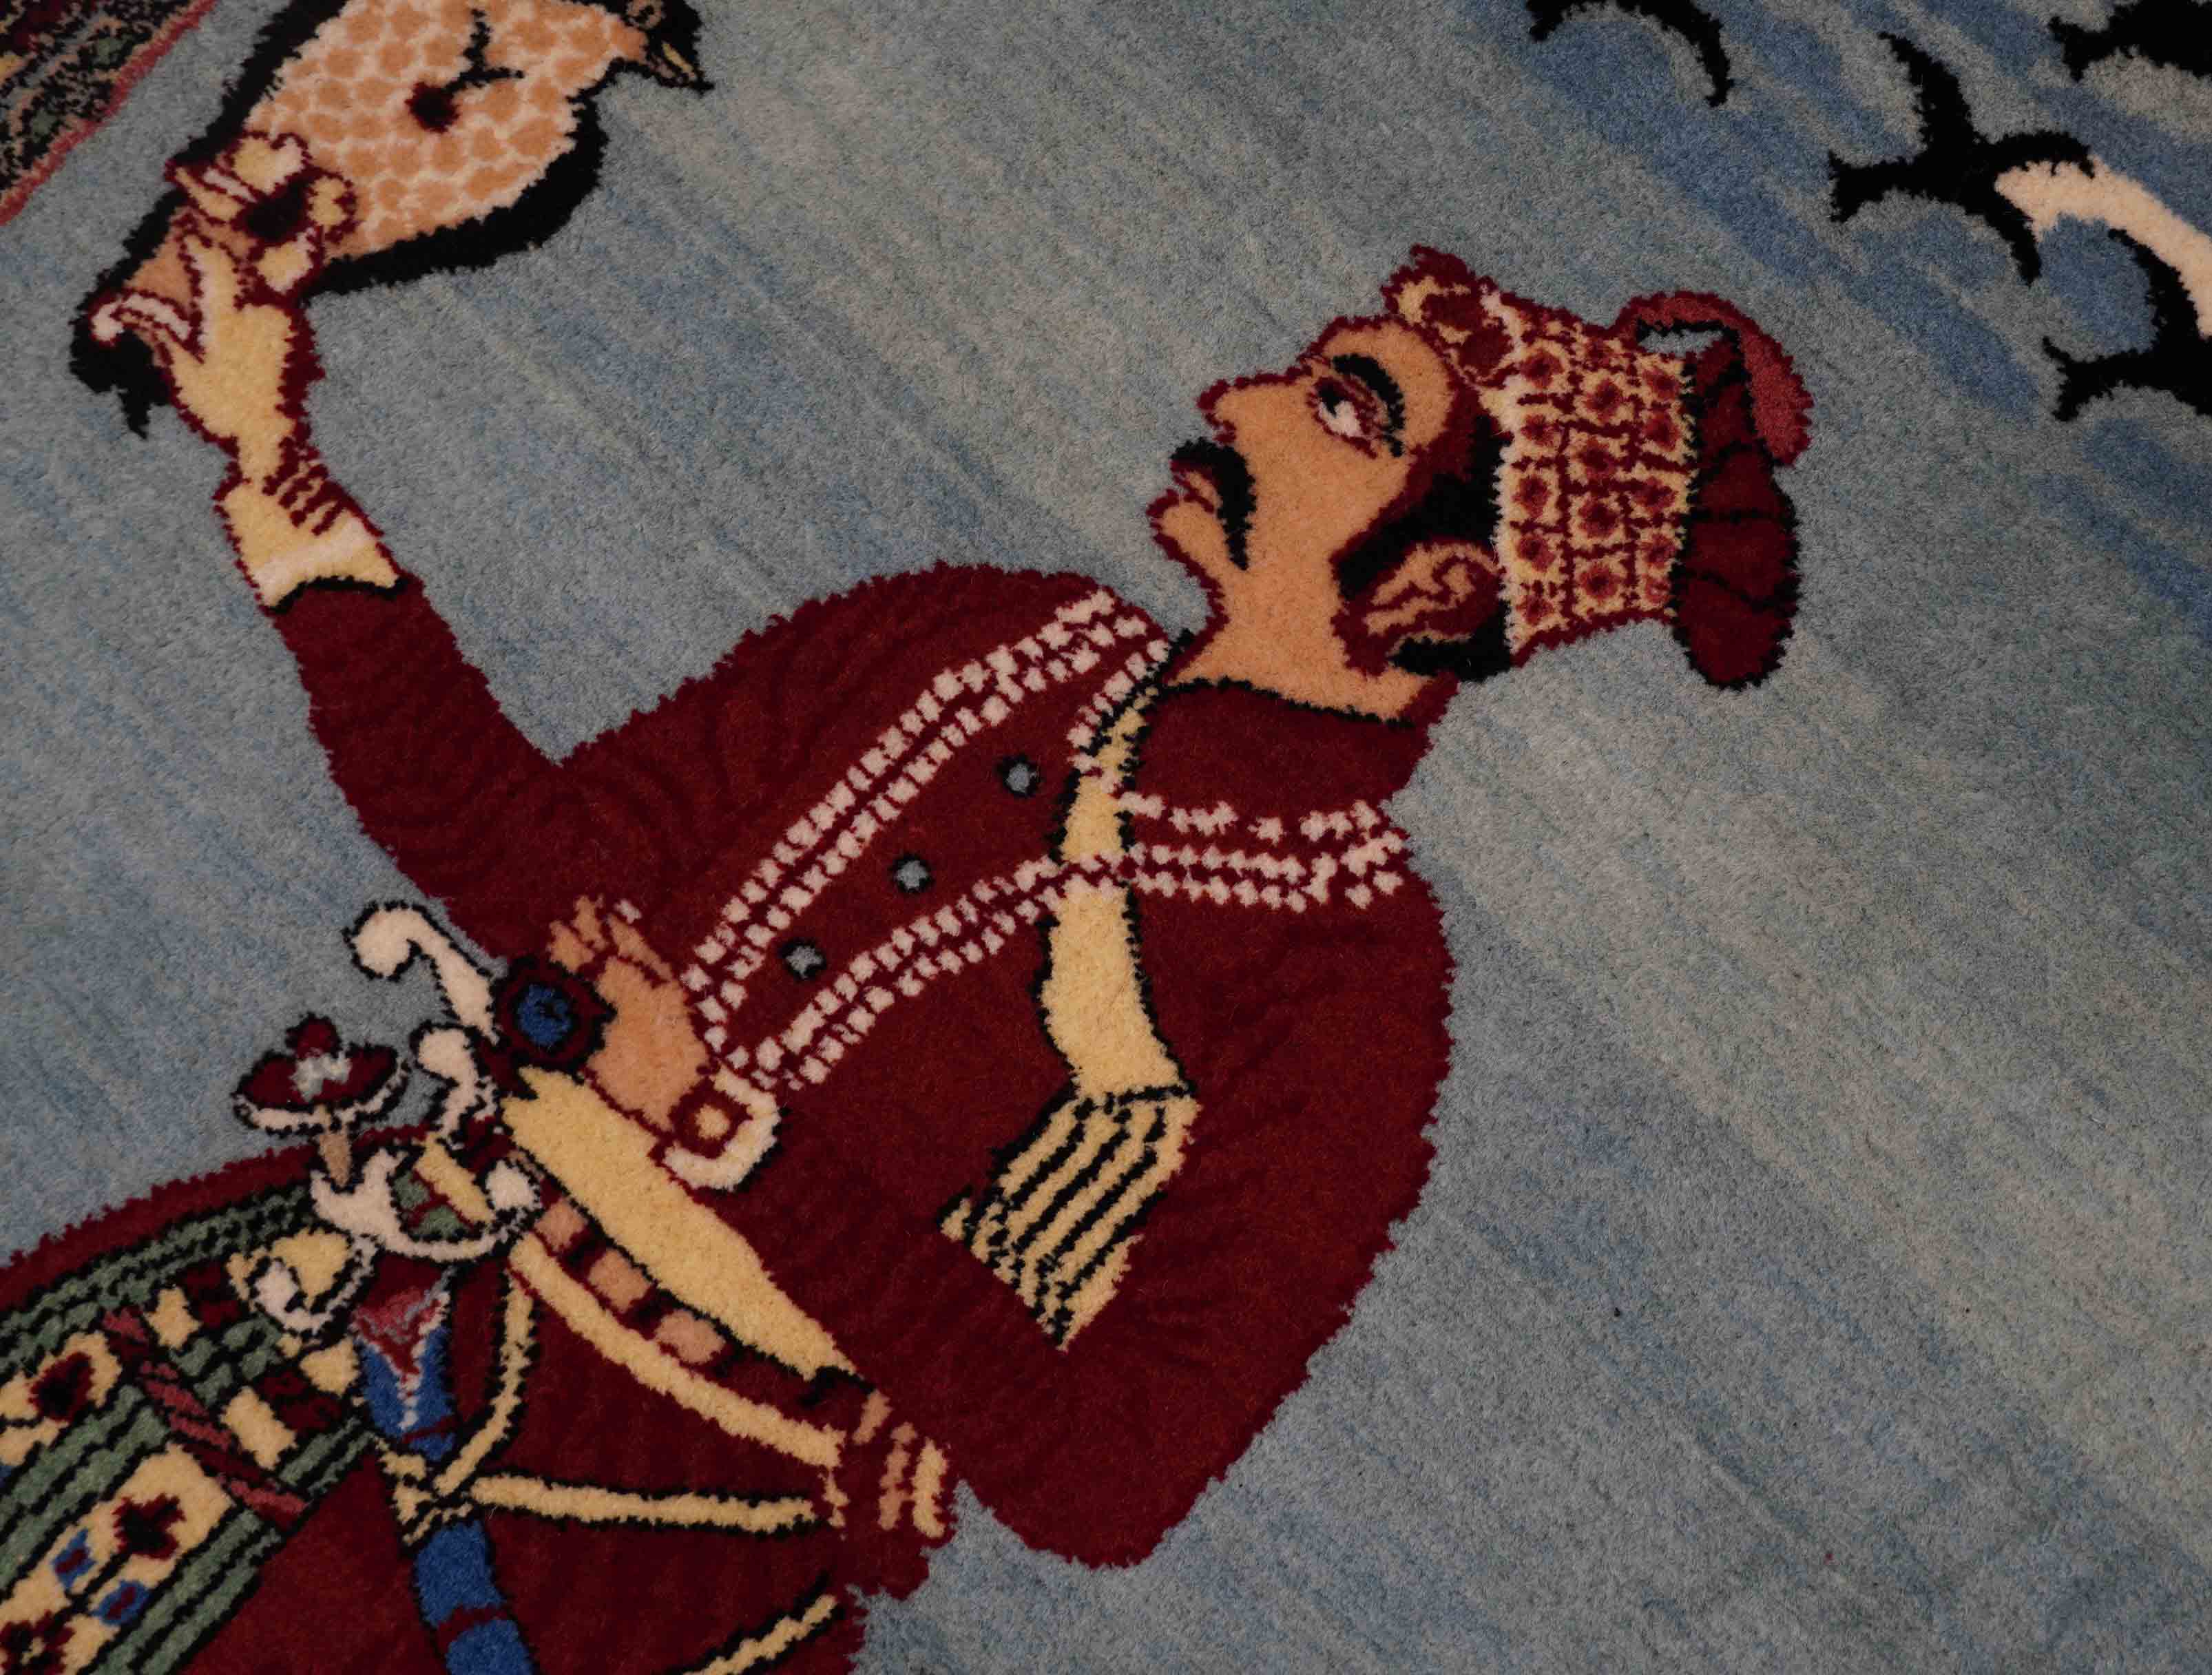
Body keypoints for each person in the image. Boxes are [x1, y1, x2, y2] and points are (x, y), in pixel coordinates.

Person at [19, 145, 1810, 1672]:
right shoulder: (983, 633)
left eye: (1343, 412)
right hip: (358, 1281)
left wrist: (719, 1131)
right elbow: (525, 860)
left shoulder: (1351, 986)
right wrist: (273, 458)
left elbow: (1108, 1474)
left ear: (1435, 589)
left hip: (637, 1537)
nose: (1239, 402)